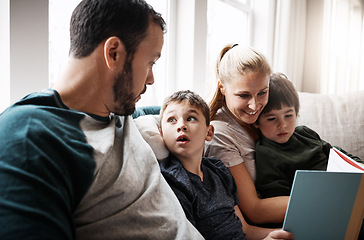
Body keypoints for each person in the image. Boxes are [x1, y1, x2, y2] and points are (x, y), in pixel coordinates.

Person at [0, 1, 204, 239]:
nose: (151, 79)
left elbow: (180, 111)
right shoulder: (31, 138)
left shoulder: (120, 112)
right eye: (150, 63)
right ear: (114, 53)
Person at [159, 90, 294, 240]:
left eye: (190, 118)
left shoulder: (218, 170)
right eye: (172, 120)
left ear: (209, 133)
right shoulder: (170, 180)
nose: (181, 126)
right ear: (161, 133)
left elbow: (244, 230)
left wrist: (281, 235)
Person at [204, 44, 289, 226]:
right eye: (243, 95)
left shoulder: (264, 117)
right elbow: (254, 211)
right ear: (222, 88)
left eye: (262, 93)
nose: (254, 105)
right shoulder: (218, 135)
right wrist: (320, 199)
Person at [254, 72, 362, 198]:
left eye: (288, 115)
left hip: (346, 188)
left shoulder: (304, 133)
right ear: (256, 121)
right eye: (272, 119)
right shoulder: (266, 153)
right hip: (321, 200)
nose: (282, 125)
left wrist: (359, 166)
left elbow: (335, 152)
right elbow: (278, 196)